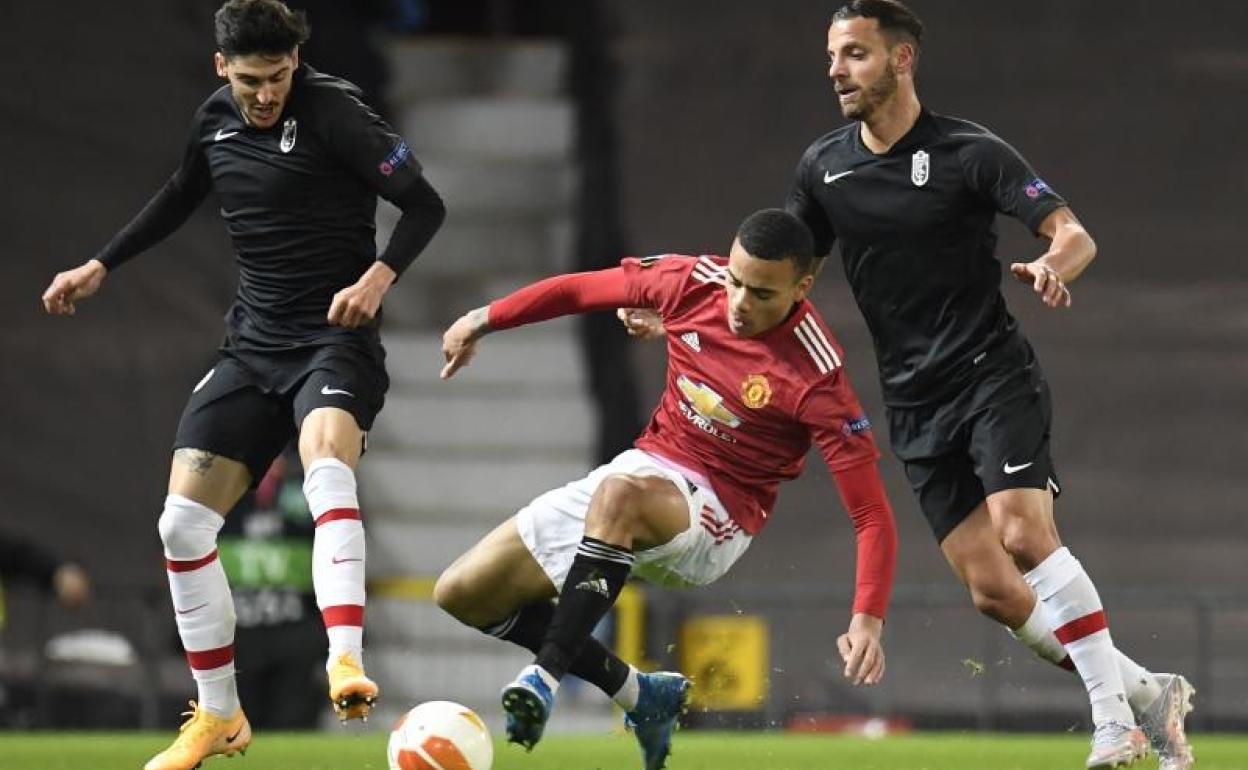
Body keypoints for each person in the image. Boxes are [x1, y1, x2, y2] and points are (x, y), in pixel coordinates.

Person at [621, 3, 1195, 769]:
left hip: (991, 374)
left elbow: (1071, 231)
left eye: (854, 53)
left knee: (1023, 532)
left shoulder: (969, 153)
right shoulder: (823, 167)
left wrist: (1053, 266)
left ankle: (1114, 724)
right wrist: (688, 313)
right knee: (993, 592)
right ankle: (1153, 696)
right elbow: (772, 272)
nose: (835, 69)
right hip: (915, 403)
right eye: (832, 55)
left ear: (902, 59)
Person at [39, 1, 445, 767]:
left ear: (299, 60)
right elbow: (179, 194)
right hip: (253, 349)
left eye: (281, 76)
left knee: (326, 466)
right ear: (222, 67)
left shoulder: (338, 116)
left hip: (334, 340)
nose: (266, 94)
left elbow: (426, 205)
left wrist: (379, 277)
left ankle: (345, 657)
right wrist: (101, 265)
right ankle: (219, 717)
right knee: (180, 527)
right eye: (253, 79)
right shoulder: (213, 120)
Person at [436, 209, 898, 770]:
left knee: (619, 496)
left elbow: (872, 514)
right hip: (646, 469)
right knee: (461, 593)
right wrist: (484, 318)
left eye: (760, 293)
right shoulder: (691, 282)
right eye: (734, 280)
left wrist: (866, 620)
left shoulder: (817, 376)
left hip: (721, 514)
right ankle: (640, 694)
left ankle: (544, 677)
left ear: (802, 288)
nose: (738, 304)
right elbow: (581, 290)